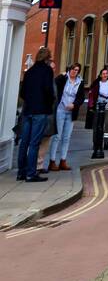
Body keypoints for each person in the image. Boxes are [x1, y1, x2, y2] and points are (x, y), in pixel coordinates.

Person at [17, 47, 55, 182]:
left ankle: (21, 172)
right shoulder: (47, 71)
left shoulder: (29, 72)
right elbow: (49, 90)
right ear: (47, 58)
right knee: (34, 143)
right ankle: (31, 173)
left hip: (28, 111)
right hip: (40, 111)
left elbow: (22, 93)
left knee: (24, 142)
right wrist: (49, 103)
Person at [47, 63, 85, 171]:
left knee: (66, 137)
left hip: (71, 112)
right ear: (69, 69)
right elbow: (53, 83)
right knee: (57, 136)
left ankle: (63, 161)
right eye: (73, 69)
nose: (74, 71)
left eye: (77, 70)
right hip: (60, 110)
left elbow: (81, 97)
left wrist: (75, 104)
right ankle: (52, 161)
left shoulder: (80, 82)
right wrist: (60, 75)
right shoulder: (63, 78)